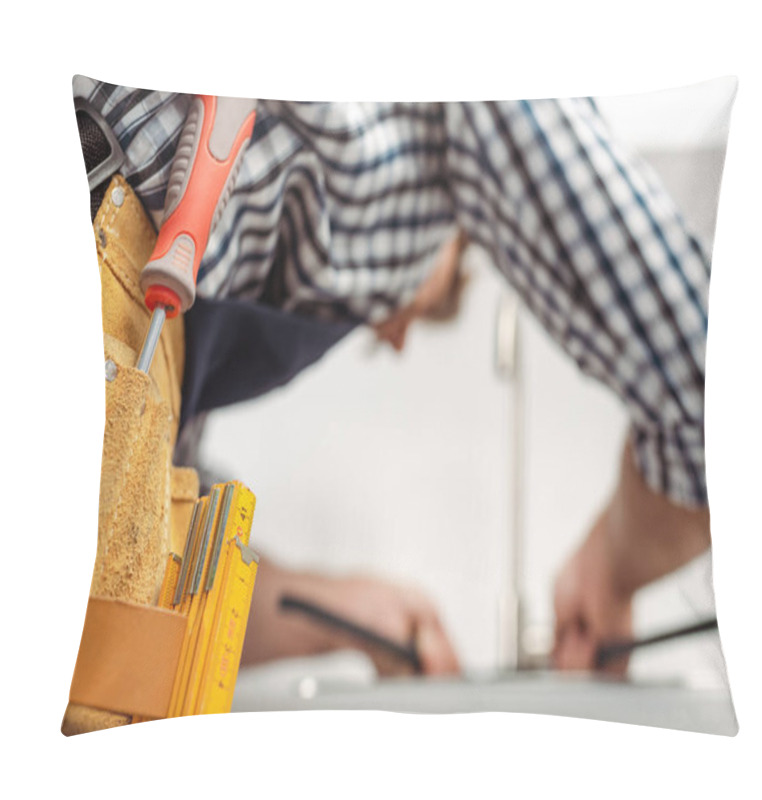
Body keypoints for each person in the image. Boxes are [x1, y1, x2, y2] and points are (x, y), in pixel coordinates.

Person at [74, 77, 712, 678]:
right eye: (437, 301)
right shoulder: (463, 93)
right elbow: (710, 406)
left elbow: (164, 553)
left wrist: (343, 612)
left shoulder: (203, 311)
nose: (396, 335)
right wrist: (610, 572)